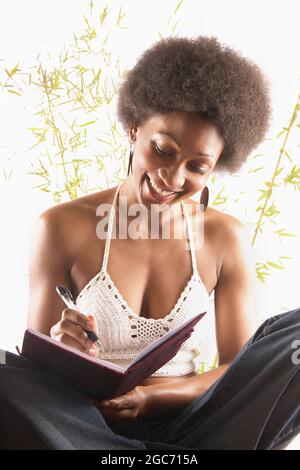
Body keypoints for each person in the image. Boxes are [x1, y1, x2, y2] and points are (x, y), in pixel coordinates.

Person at [0, 36, 299, 450]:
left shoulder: (224, 237)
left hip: (195, 428)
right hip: (84, 428)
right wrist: (62, 347)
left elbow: (237, 371)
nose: (173, 179)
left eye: (197, 167)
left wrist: (148, 399)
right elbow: (37, 376)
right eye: (163, 150)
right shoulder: (60, 226)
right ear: (135, 127)